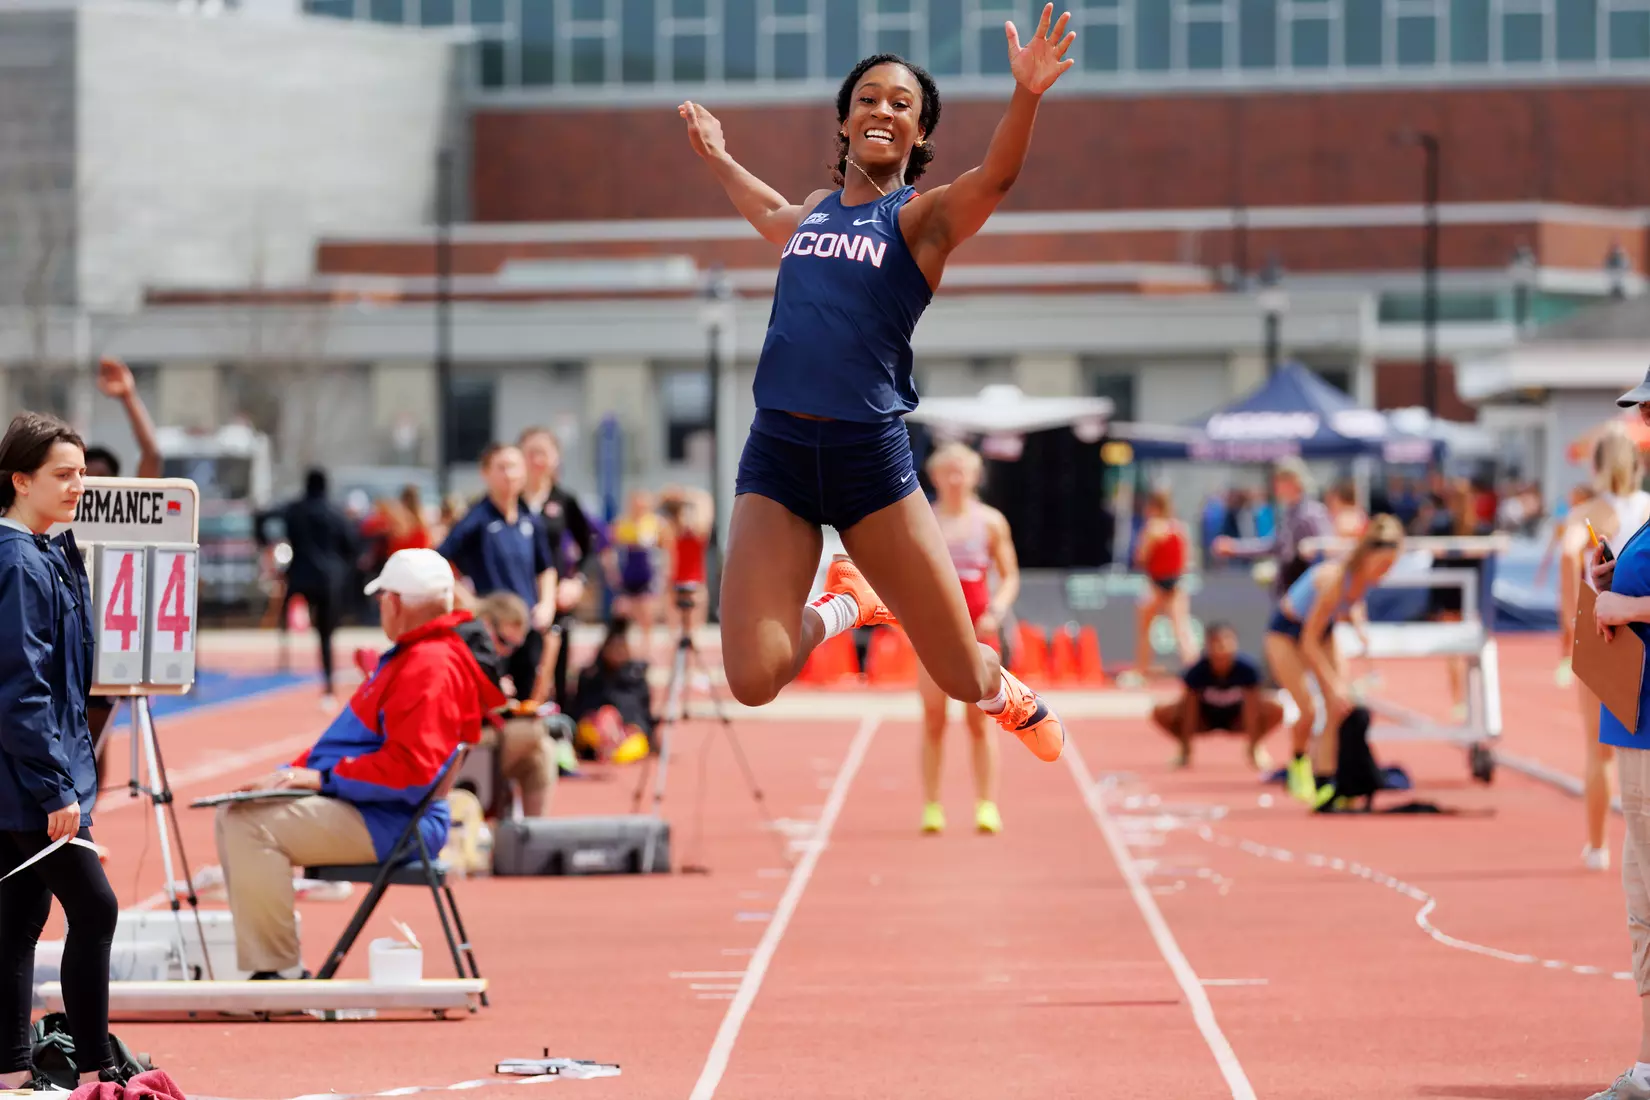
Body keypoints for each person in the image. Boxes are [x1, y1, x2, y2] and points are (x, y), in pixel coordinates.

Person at [676, 8, 1075, 760]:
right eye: (867, 98)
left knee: (958, 675)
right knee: (753, 678)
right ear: (845, 121)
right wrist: (718, 156)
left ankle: (1004, 693)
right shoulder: (812, 216)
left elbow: (996, 176)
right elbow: (767, 208)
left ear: (919, 135)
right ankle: (845, 603)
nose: (882, 109)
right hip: (780, 455)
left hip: (870, 463)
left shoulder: (917, 221)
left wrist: (1026, 97)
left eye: (901, 103)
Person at [213, 548, 506, 980]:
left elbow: (409, 771)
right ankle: (272, 965)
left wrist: (317, 778)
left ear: (396, 602)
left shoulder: (429, 663)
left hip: (398, 820)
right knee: (242, 812)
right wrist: (290, 776)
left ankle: (275, 971)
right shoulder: (421, 653)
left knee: (247, 824)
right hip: (386, 810)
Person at [0, 412, 126, 1090]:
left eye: (81, 472)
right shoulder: (19, 559)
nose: (80, 485)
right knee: (95, 907)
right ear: (21, 479)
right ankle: (95, 1070)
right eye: (64, 474)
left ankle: (15, 1072)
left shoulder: (48, 548)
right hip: (30, 778)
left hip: (33, 772)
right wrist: (56, 788)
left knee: (18, 919)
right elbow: (20, 689)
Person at [1580, 369, 1650, 1100]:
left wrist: (1625, 607)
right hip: (1635, 719)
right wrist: (1607, 585)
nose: (1643, 429)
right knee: (1643, 901)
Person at [1262, 514, 1405, 807]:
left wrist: (1359, 628)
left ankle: (1327, 780)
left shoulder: (1363, 579)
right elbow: (1308, 639)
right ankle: (1298, 764)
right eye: (1383, 565)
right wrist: (1332, 682)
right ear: (1367, 556)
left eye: (1391, 565)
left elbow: (1352, 603)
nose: (1386, 572)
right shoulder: (1335, 580)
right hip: (1287, 633)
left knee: (1338, 707)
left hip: (1321, 631)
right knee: (1309, 708)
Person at [915, 442, 1019, 836]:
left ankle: (986, 804)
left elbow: (1009, 576)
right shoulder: (923, 519)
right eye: (948, 472)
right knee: (933, 719)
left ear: (975, 476)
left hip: (979, 630)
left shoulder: (990, 521)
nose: (956, 479)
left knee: (980, 721)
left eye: (963, 471)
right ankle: (932, 805)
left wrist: (997, 611)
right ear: (935, 476)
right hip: (934, 630)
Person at [1559, 425, 1650, 872]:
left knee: (1598, 752)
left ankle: (1597, 847)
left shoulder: (1587, 514)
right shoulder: (1648, 509)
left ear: (1595, 467)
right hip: (1643, 629)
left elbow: (1567, 555)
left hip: (1603, 630)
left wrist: (1565, 631)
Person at [83, 356, 164, 788]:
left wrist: (130, 397)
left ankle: (86, 831)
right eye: (83, 479)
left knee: (95, 745)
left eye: (102, 480)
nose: (92, 488)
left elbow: (152, 455)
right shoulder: (53, 516)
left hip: (103, 641)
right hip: (52, 638)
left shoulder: (127, 515)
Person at [439, 444, 558, 705]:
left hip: (527, 628)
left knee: (530, 704)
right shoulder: (476, 519)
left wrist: (547, 603)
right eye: (501, 467)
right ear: (486, 473)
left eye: (514, 467)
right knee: (490, 703)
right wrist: (470, 602)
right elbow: (438, 560)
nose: (509, 474)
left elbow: (545, 568)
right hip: (490, 633)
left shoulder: (530, 519)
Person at [255, 469, 361, 708]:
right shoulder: (335, 513)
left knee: (283, 613)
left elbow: (263, 515)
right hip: (328, 579)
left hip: (300, 574)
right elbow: (353, 544)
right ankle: (328, 683)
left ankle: (284, 659)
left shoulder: (294, 509)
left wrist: (264, 542)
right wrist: (342, 569)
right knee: (325, 635)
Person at [519, 427, 596, 710]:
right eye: (531, 452)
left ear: (556, 459)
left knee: (557, 674)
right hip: (516, 599)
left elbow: (590, 546)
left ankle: (560, 734)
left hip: (556, 602)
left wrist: (577, 581)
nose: (537, 459)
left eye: (544, 452)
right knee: (520, 674)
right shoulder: (508, 501)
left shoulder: (564, 500)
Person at [1151, 622, 1283, 770]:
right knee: (1160, 711)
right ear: (1208, 645)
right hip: (1205, 719)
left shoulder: (1247, 670)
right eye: (1217, 642)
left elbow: (1252, 707)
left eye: (1227, 641)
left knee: (1276, 709)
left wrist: (1253, 747)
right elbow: (1189, 709)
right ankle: (1183, 750)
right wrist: (1186, 749)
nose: (1222, 647)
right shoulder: (1197, 671)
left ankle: (1256, 748)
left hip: (1237, 719)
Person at [1212, 458, 1334, 600]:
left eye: (1278, 482)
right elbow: (1274, 544)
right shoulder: (1291, 512)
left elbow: (1326, 550)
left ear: (1292, 481)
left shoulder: (1311, 513)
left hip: (1308, 591)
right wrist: (1235, 547)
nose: (1275, 488)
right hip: (1293, 589)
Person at [1118, 487, 1197, 689]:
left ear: (1152, 506)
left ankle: (1141, 671)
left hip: (1156, 584)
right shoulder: (1180, 527)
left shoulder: (1153, 527)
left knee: (1145, 630)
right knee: (1182, 630)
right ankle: (1197, 672)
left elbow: (1141, 557)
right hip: (1176, 583)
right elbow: (1187, 559)